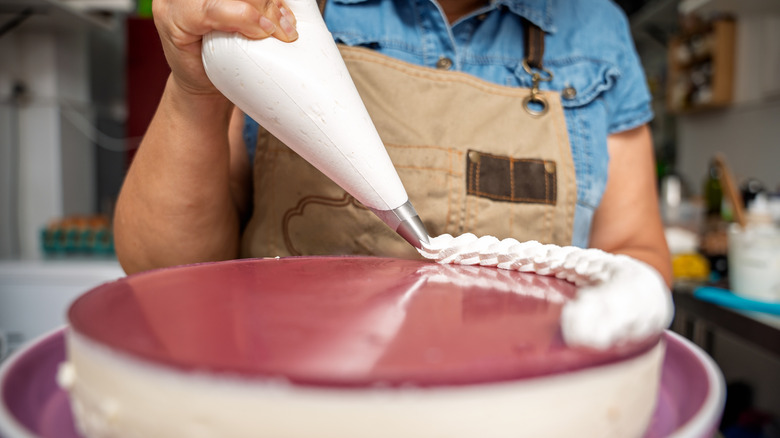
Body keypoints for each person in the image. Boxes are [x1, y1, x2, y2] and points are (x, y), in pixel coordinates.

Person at [114, 0, 673, 286]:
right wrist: (195, 86)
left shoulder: (597, 32)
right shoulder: (277, 10)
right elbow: (161, 272)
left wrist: (627, 302)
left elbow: (635, 252)